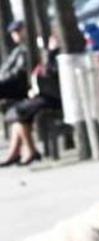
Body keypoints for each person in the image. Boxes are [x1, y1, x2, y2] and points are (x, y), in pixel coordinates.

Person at [2, 33, 60, 166]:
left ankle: (28, 151)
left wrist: (51, 52)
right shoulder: (42, 53)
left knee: (20, 111)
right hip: (45, 95)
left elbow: (51, 74)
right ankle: (18, 152)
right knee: (18, 112)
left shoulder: (56, 54)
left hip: (53, 97)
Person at [0, 21, 29, 102]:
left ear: (24, 30)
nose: (14, 35)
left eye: (17, 31)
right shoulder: (17, 50)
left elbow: (18, 72)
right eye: (13, 33)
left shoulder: (26, 49)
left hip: (18, 86)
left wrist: (2, 78)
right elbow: (6, 67)